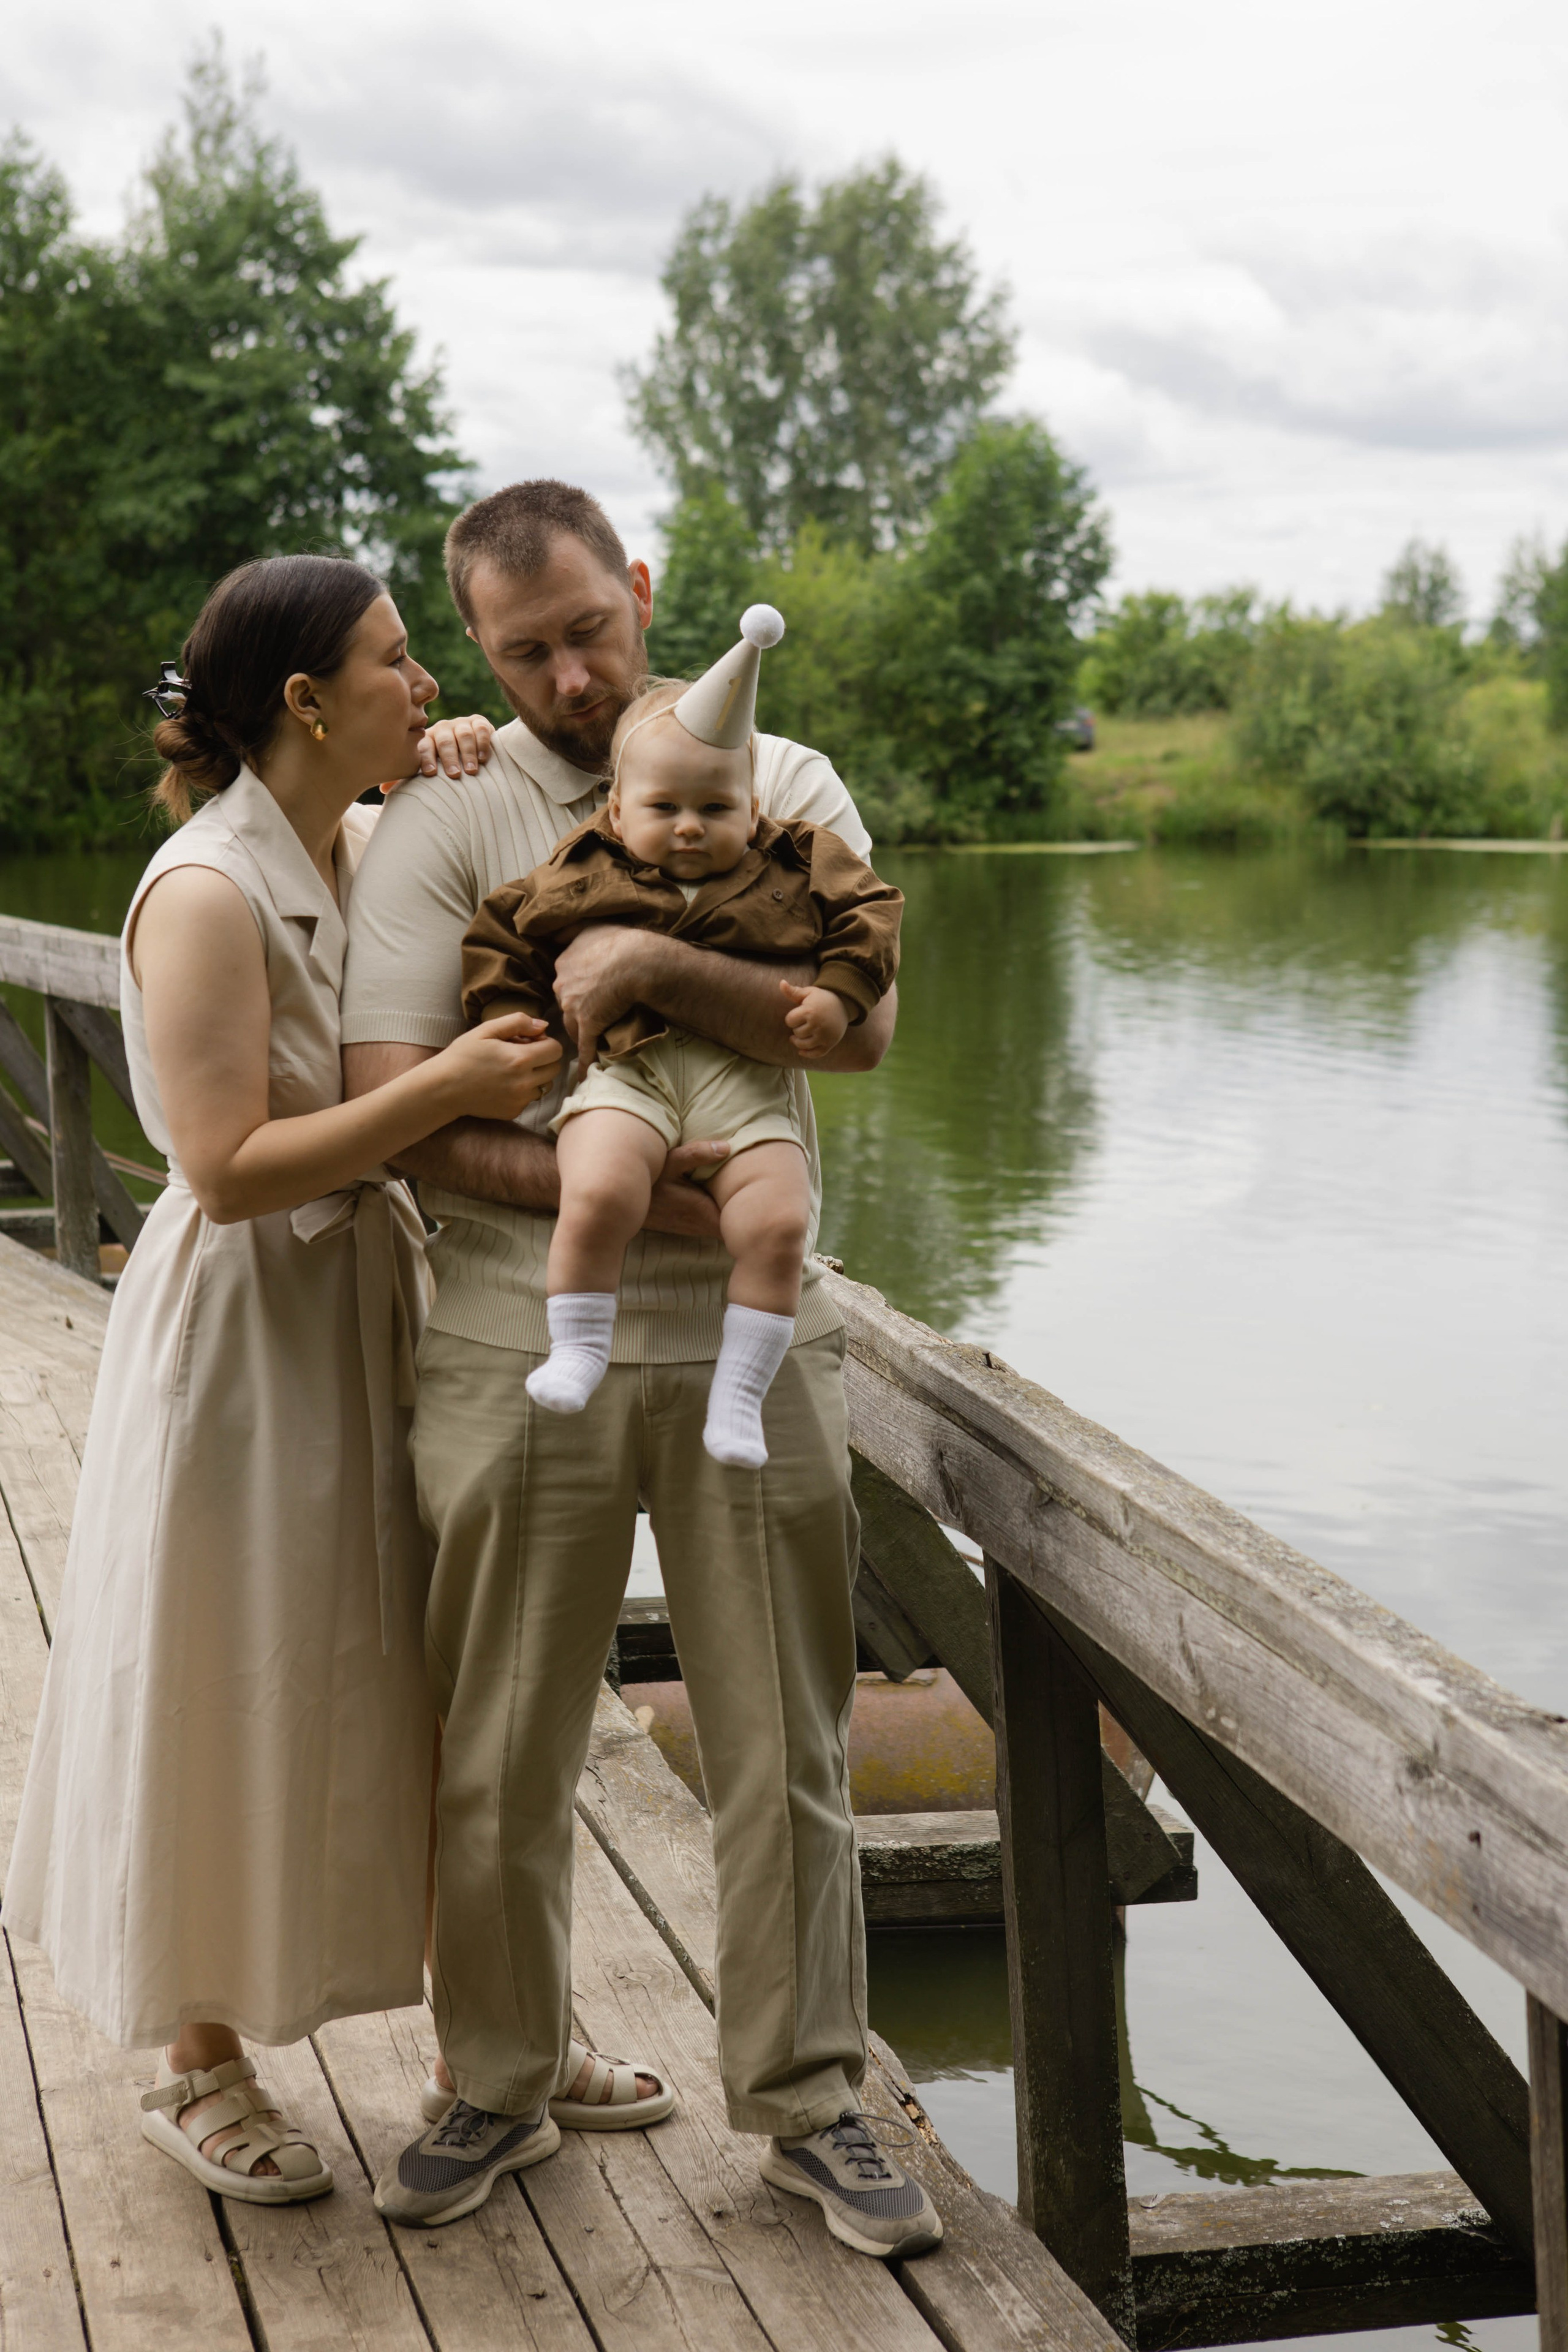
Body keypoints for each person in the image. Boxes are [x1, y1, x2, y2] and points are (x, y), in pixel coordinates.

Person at [342, 479, 943, 2256]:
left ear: (645, 589)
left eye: (591, 632)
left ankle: (811, 2103)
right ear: (475, 650)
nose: (568, 678)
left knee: (789, 1747)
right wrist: (652, 1197)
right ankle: (498, 2078)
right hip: (512, 1339)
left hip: (760, 1347)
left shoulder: (787, 778)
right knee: (498, 1747)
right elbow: (400, 1109)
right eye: (523, 652)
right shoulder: (444, 813)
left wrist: (643, 958)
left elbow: (865, 1031)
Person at [2, 555, 561, 2204]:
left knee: (415, 1670)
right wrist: (448, 1090)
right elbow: (227, 1166)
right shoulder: (203, 890)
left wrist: (463, 765)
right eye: (398, 661)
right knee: (219, 1660)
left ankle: (490, 2044)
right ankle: (197, 2062)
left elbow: (529, 862)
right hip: (246, 1326)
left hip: (374, 1299)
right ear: (307, 702)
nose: (427, 682)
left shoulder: (367, 838)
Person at [460, 622, 902, 1466]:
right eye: (665, 809)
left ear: (754, 808)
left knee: (780, 1223)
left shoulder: (796, 862)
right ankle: (578, 1345)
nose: (690, 827)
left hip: (746, 1085)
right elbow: (502, 931)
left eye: (716, 808)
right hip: (629, 1074)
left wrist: (839, 995)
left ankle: (740, 1395)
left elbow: (871, 912)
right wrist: (509, 1018)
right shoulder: (584, 867)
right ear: (618, 811)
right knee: (596, 1189)